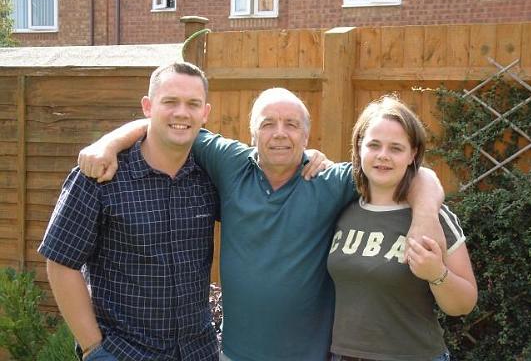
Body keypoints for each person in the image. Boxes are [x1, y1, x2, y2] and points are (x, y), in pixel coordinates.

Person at [78, 88, 446, 361]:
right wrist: (108, 143)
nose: (280, 133)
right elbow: (167, 123)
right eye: (268, 124)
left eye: (291, 125)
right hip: (235, 355)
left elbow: (419, 174)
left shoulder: (333, 180)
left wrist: (424, 219)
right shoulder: (230, 162)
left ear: (307, 134)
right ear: (252, 134)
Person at [38, 62, 220, 361]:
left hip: (199, 352)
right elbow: (60, 263)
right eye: (170, 102)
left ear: (205, 112)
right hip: (124, 353)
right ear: (148, 106)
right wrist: (93, 349)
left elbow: (268, 166)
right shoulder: (99, 175)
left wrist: (310, 159)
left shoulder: (211, 174)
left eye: (192, 104)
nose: (181, 113)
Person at [327, 95, 477, 361]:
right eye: (374, 145)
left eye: (396, 148)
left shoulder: (434, 216)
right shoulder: (341, 209)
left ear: (412, 154)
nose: (383, 156)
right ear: (359, 147)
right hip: (345, 355)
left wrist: (437, 274)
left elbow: (464, 303)